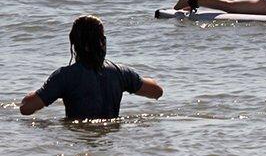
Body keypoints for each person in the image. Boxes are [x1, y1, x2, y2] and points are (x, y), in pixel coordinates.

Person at [20, 15, 164, 119]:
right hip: (110, 138)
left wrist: (38, 93)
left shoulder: (65, 76)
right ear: (103, 42)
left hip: (79, 136)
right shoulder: (120, 73)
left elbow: (26, 109)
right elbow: (157, 92)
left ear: (76, 44)